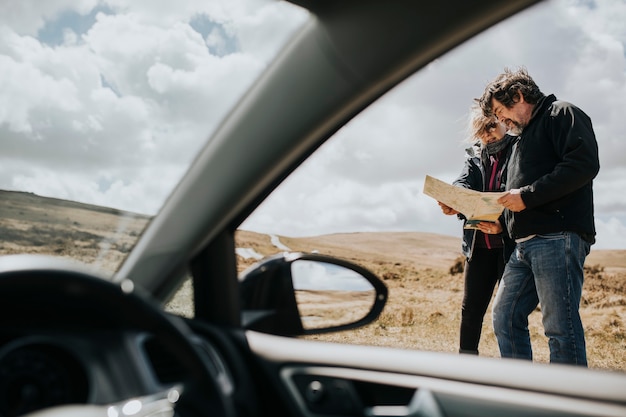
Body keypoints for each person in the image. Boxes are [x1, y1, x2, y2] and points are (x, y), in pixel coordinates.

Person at [478, 67, 599, 366]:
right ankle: (523, 392)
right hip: (523, 246)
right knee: (504, 317)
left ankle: (568, 405)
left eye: (500, 110)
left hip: (557, 238)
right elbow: (519, 199)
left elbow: (583, 164)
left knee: (560, 328)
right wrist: (501, 225)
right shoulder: (521, 139)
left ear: (518, 95)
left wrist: (527, 196)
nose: (500, 120)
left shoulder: (562, 113)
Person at [438, 105, 515, 355]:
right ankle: (465, 363)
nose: (487, 135)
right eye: (481, 131)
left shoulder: (519, 151)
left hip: (509, 248)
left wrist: (502, 226)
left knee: (509, 314)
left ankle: (515, 368)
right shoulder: (474, 155)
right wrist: (454, 202)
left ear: (504, 122)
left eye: (491, 127)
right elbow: (462, 182)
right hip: (478, 248)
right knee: (470, 310)